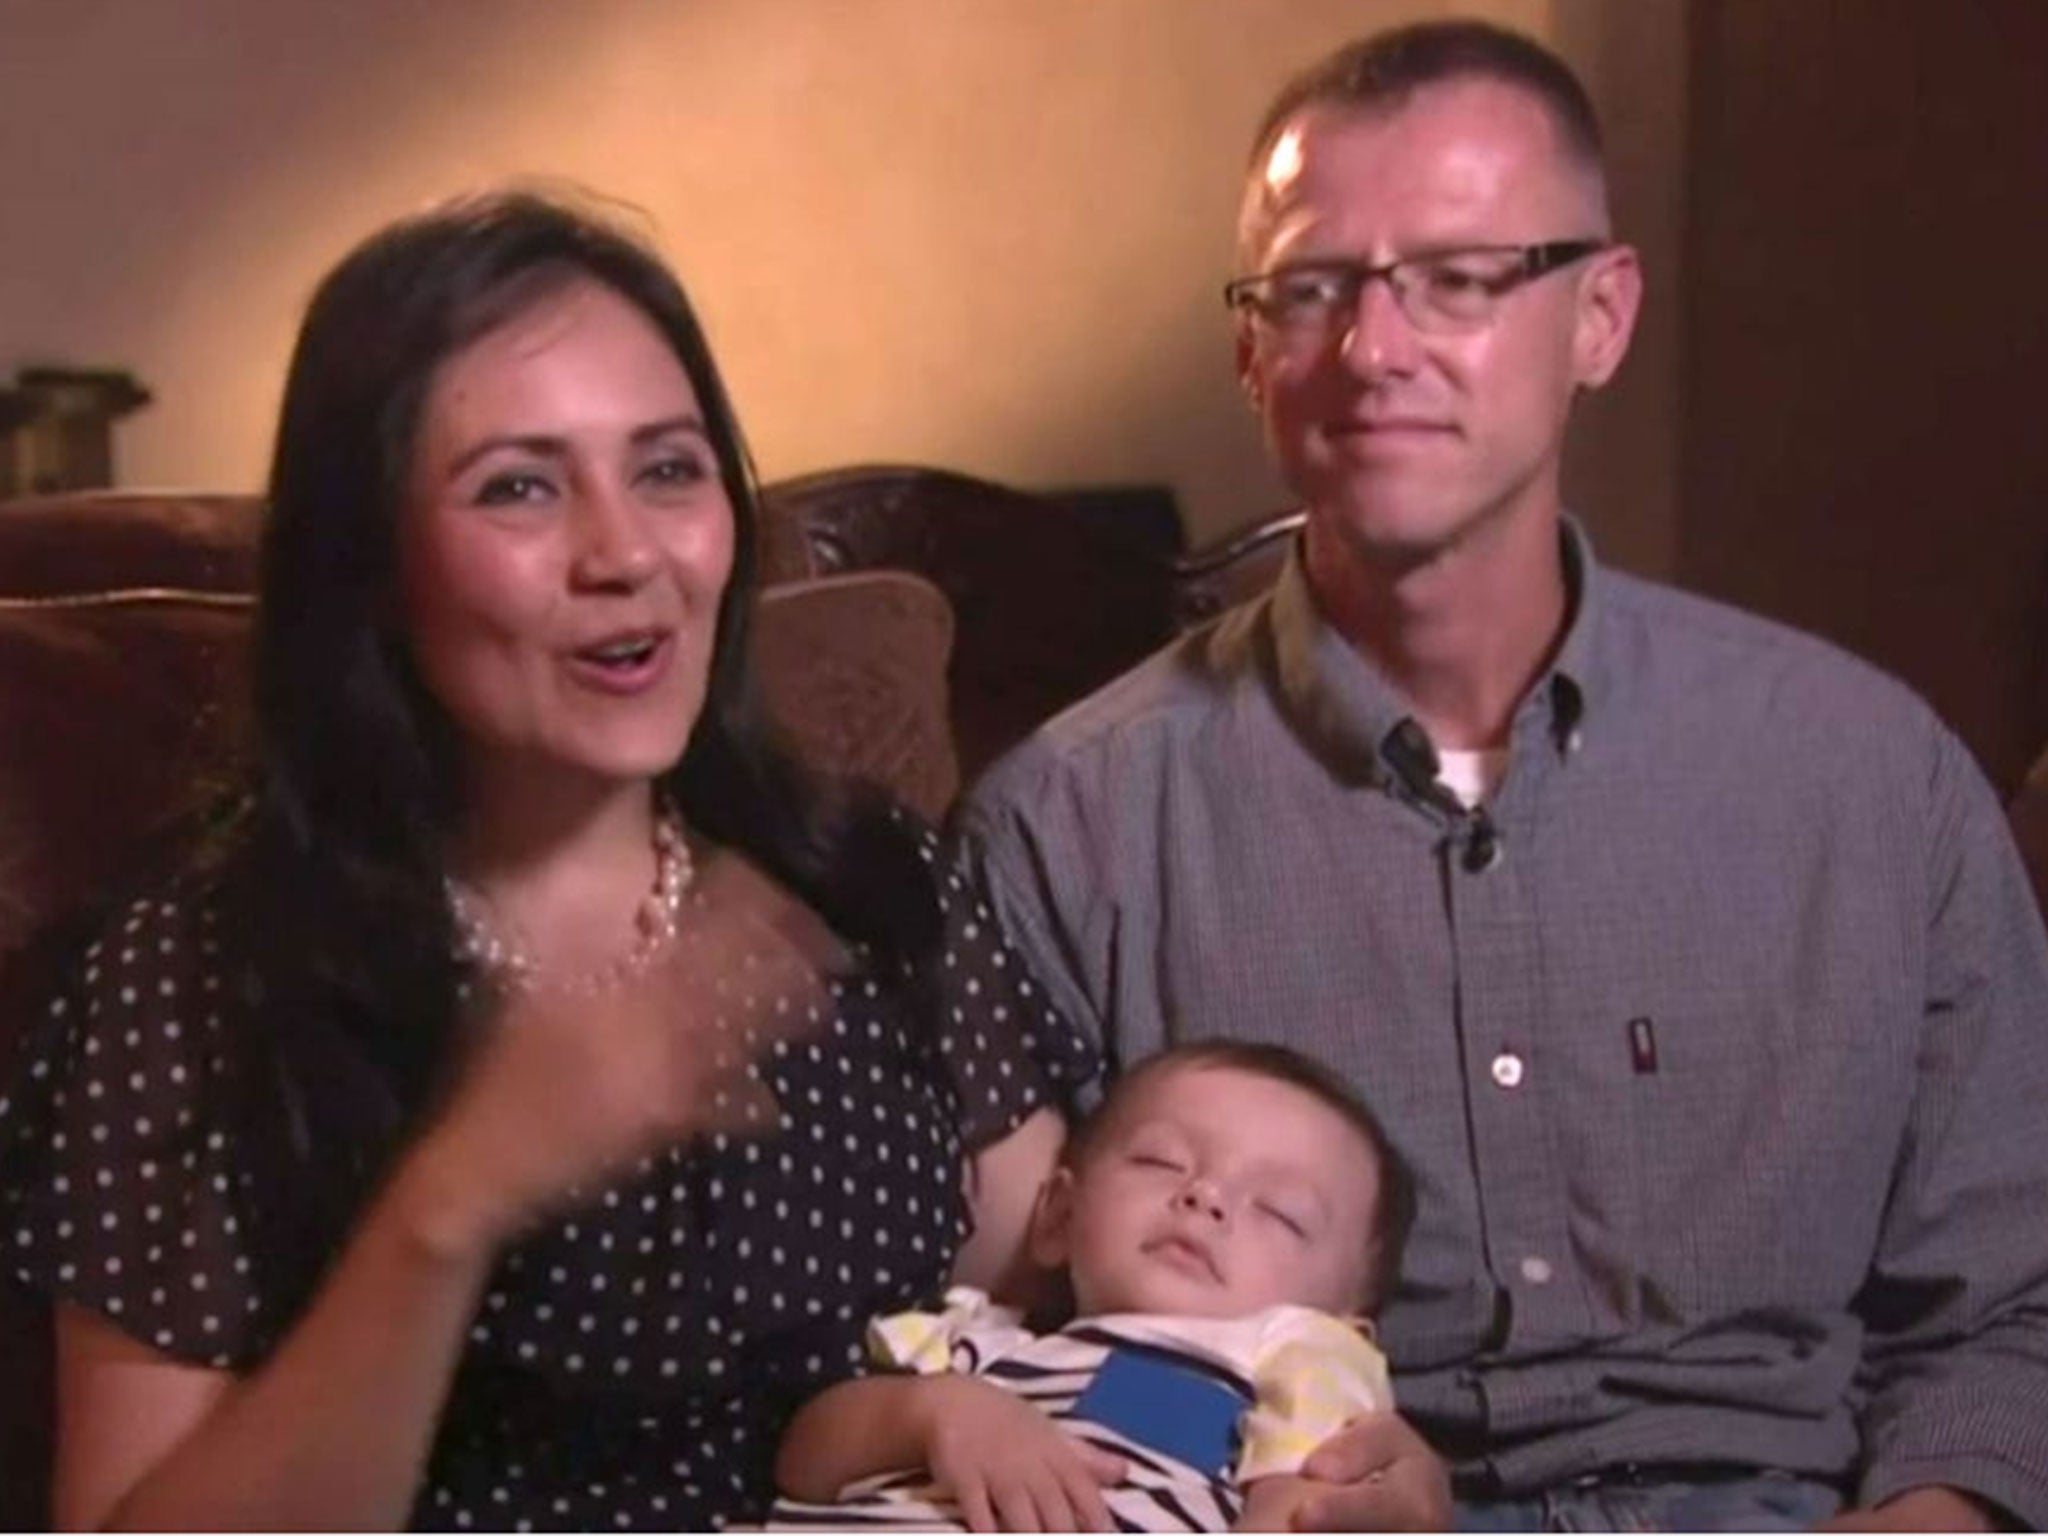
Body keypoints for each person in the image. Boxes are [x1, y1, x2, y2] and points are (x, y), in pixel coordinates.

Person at [954, 18, 2048, 1533]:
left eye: (1463, 279)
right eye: (1316, 287)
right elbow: (996, 1345)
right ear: (1250, 348)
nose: (1377, 349)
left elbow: (2013, 1301)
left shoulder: (1871, 782)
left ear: (1599, 319)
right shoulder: (1067, 829)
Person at [0, 191, 1095, 1530]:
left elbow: (1076, 1298)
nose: (626, 553)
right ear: (372, 568)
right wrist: (448, 1207)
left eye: (669, 469)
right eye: (519, 485)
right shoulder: (208, 976)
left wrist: (1305, 1434)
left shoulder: (864, 880)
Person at [769, 1040, 1415, 1532]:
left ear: (1344, 1324)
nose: (1205, 1195)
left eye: (1279, 1210)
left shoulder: (1290, 1373)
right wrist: (933, 1411)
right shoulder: (978, 1343)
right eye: (1160, 1161)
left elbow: (1306, 1514)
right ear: (1057, 1216)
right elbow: (803, 1461)